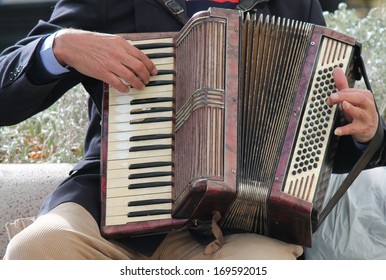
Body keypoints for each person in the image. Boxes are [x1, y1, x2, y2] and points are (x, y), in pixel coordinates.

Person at [1, 0, 385, 260]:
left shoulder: (293, 5)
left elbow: (320, 139)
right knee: (35, 250)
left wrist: (364, 132)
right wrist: (60, 46)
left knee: (266, 267)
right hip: (107, 211)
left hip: (240, 224)